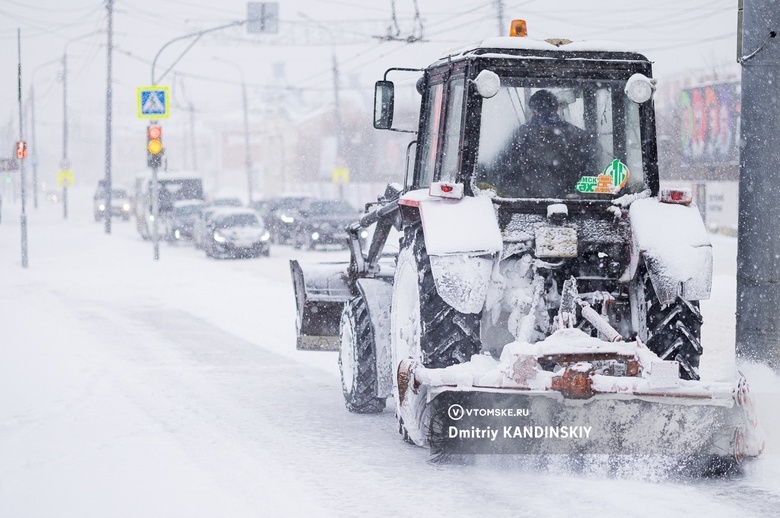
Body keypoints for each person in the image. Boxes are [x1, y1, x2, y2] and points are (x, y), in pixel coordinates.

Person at [485, 89, 598, 198]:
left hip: (524, 206)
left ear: (533, 111)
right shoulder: (579, 135)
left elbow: (502, 171)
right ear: (556, 109)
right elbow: (592, 175)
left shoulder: (520, 135)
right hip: (573, 206)